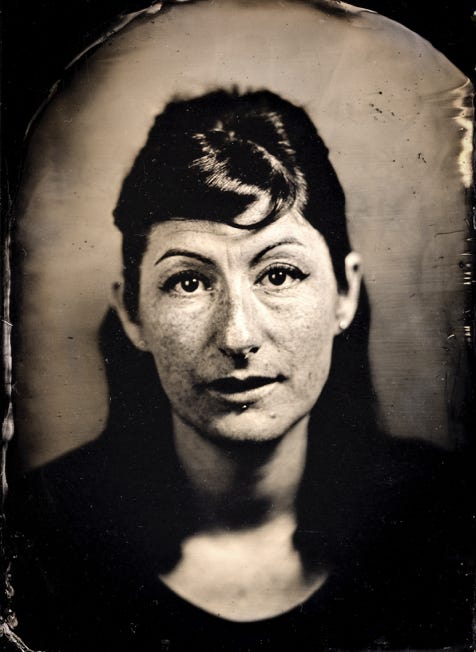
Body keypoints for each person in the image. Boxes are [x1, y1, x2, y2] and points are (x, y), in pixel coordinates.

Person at [8, 89, 474, 651]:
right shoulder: (34, 533)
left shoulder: (451, 516)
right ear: (132, 313)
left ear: (344, 294)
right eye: (188, 282)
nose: (238, 337)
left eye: (279, 274)